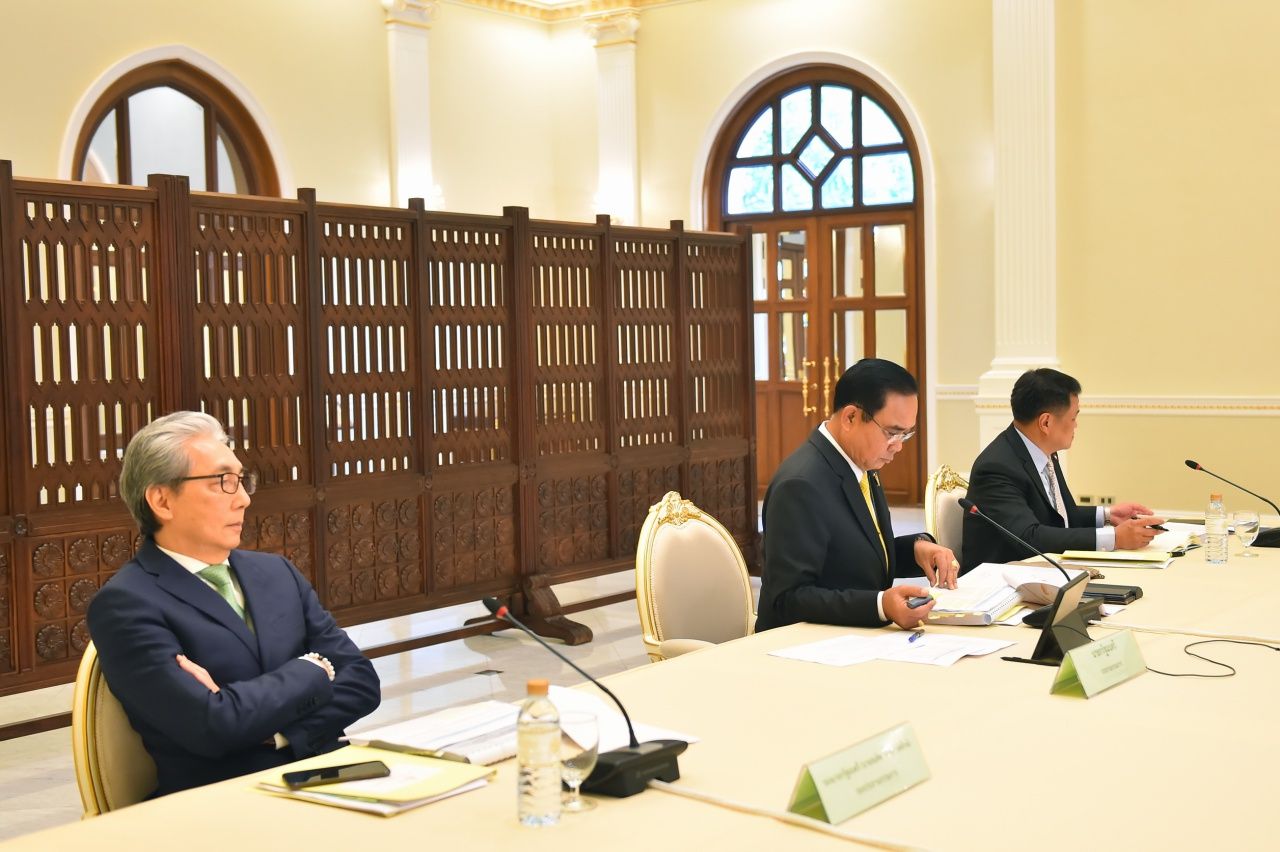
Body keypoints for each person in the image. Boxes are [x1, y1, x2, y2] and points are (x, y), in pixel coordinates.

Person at [87, 411, 381, 797]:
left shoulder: (276, 573)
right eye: (222, 482)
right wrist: (314, 669)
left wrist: (276, 734)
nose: (243, 499)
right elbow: (212, 727)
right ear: (162, 501)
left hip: (329, 776)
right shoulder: (126, 604)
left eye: (241, 481)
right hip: (222, 803)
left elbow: (362, 682)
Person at [756, 358, 959, 632]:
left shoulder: (859, 463)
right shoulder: (801, 485)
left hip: (851, 635)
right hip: (804, 643)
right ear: (851, 417)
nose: (898, 446)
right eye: (892, 433)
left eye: (905, 435)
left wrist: (915, 549)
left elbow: (852, 554)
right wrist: (880, 606)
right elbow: (788, 599)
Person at [961, 368, 1162, 570]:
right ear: (1046, 422)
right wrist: (1115, 538)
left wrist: (1109, 515)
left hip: (1040, 571)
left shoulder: (1042, 450)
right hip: (1002, 579)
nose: (1076, 425)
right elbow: (1029, 537)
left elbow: (1059, 516)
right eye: (1073, 418)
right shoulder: (996, 467)